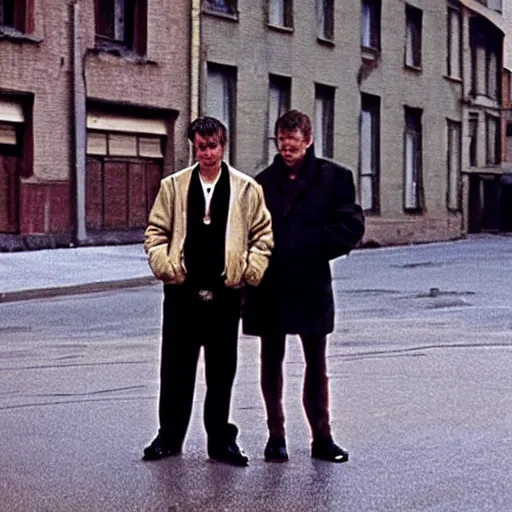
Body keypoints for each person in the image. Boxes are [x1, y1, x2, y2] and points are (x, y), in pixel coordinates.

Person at [143, 116, 273, 466]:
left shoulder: (247, 189)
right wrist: (165, 267)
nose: (208, 152)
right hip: (182, 293)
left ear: (223, 145)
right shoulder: (173, 186)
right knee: (175, 368)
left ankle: (220, 441)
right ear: (193, 147)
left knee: (221, 370)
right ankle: (168, 437)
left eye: (214, 145)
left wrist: (250, 270)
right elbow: (155, 232)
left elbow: (262, 235)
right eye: (202, 146)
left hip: (225, 293)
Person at [243, 109, 365, 463]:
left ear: (308, 140)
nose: (286, 149)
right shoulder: (260, 184)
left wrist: (303, 245)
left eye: (293, 143)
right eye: (281, 143)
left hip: (311, 283)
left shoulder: (335, 178)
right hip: (270, 285)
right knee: (271, 360)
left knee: (316, 362)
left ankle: (322, 438)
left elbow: (350, 227)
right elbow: (248, 233)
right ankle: (275, 435)